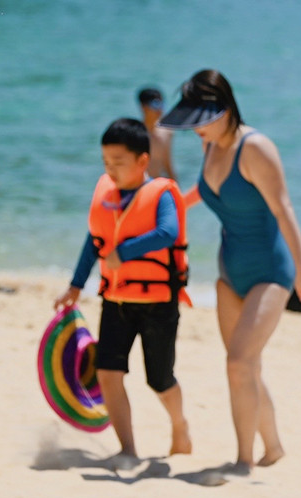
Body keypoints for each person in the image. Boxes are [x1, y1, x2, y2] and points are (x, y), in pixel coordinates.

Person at [159, 69, 301, 476]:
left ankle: (243, 460)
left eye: (200, 120)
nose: (195, 129)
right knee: (246, 366)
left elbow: (283, 208)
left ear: (225, 109)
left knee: (238, 363)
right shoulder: (210, 145)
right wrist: (166, 209)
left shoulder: (256, 148)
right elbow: (204, 191)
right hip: (229, 272)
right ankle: (273, 447)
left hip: (271, 271)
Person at [53, 118, 192, 465]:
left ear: (143, 160)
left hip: (158, 303)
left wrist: (125, 252)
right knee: (108, 373)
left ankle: (179, 425)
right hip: (115, 301)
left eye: (118, 162)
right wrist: (76, 285)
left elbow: (168, 232)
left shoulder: (160, 194)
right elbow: (94, 241)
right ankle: (128, 449)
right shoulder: (106, 195)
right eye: (105, 162)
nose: (110, 169)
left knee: (160, 379)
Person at [138, 87, 177, 181]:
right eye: (155, 104)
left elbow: (167, 164)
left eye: (161, 104)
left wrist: (176, 185)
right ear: (143, 107)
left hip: (157, 185)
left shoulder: (167, 132)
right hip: (138, 186)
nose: (159, 109)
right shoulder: (135, 134)